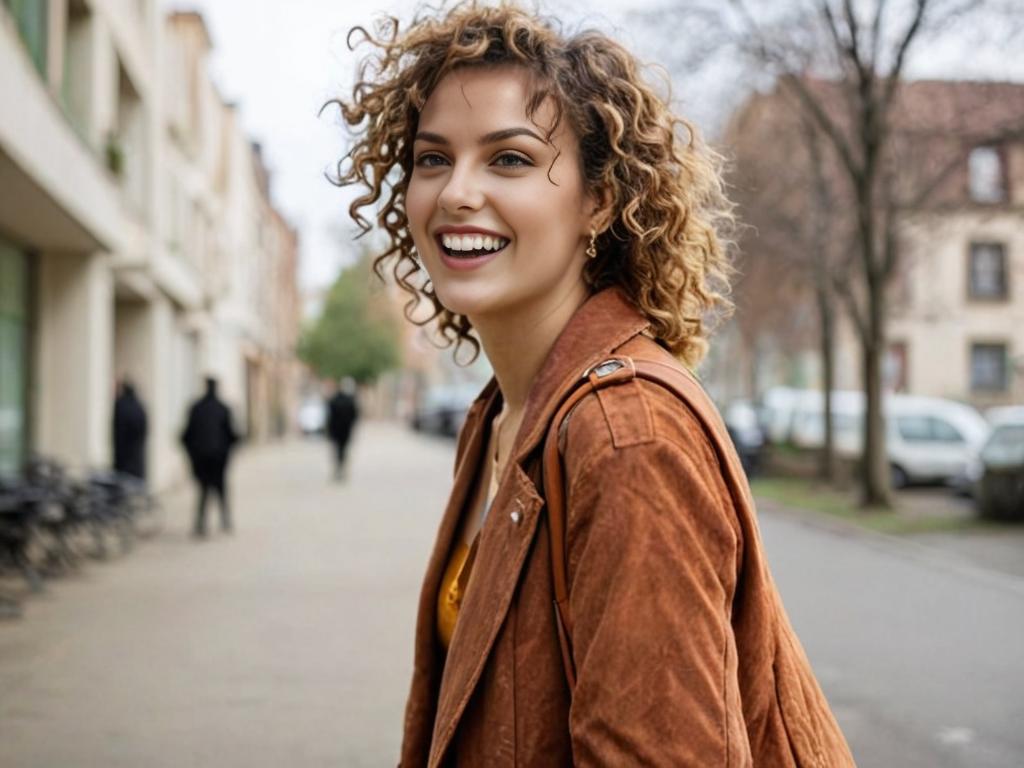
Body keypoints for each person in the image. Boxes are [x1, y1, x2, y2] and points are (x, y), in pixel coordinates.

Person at [333, 3, 855, 765]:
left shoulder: (626, 436)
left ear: (600, 201)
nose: (454, 194)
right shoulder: (501, 415)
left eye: (508, 159)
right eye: (433, 158)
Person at [181, 377, 239, 538]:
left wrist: (193, 455)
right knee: (220, 490)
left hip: (203, 460)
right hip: (218, 459)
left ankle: (202, 524)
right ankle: (224, 521)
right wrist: (226, 452)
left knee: (204, 491)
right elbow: (233, 436)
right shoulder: (223, 408)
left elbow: (185, 436)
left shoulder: (196, 408)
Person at [112, 379, 147, 481]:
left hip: (124, 461)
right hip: (136, 459)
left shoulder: (121, 406)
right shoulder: (139, 406)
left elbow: (119, 436)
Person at [326, 378, 360, 481]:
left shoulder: (334, 399)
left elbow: (329, 416)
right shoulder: (350, 400)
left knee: (337, 450)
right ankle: (341, 468)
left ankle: (338, 468)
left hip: (336, 430)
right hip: (345, 430)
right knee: (343, 450)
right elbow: (355, 416)